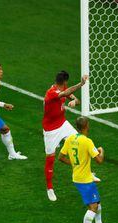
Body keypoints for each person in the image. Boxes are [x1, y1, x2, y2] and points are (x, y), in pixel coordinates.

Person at [59, 116, 112, 223]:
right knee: (93, 207)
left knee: (97, 201)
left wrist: (74, 165)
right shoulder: (87, 141)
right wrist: (101, 151)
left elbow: (61, 157)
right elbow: (99, 160)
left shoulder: (70, 138)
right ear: (87, 126)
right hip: (84, 180)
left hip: (79, 176)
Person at [43, 71, 88, 201]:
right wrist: (81, 84)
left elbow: (74, 98)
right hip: (51, 130)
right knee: (50, 158)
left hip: (63, 124)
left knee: (81, 142)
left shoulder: (62, 89)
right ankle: (49, 188)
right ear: (64, 83)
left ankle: (86, 172)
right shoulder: (52, 93)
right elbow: (65, 93)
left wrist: (75, 101)